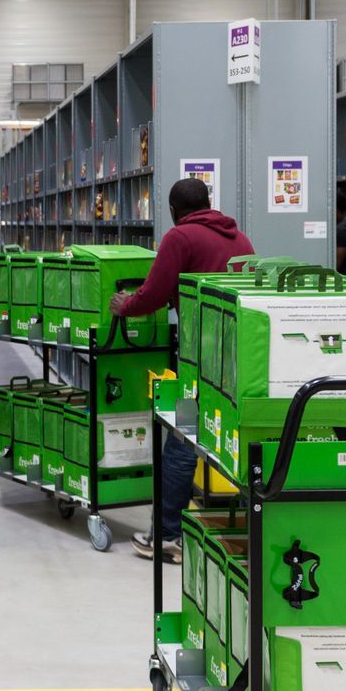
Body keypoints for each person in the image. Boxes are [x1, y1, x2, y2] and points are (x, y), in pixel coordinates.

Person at [109, 177, 253, 563]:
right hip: (240, 357)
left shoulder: (180, 238)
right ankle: (247, 532)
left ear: (173, 210)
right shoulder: (240, 239)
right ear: (209, 203)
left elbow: (154, 293)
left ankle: (169, 536)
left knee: (182, 439)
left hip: (200, 357)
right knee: (233, 442)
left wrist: (125, 305)